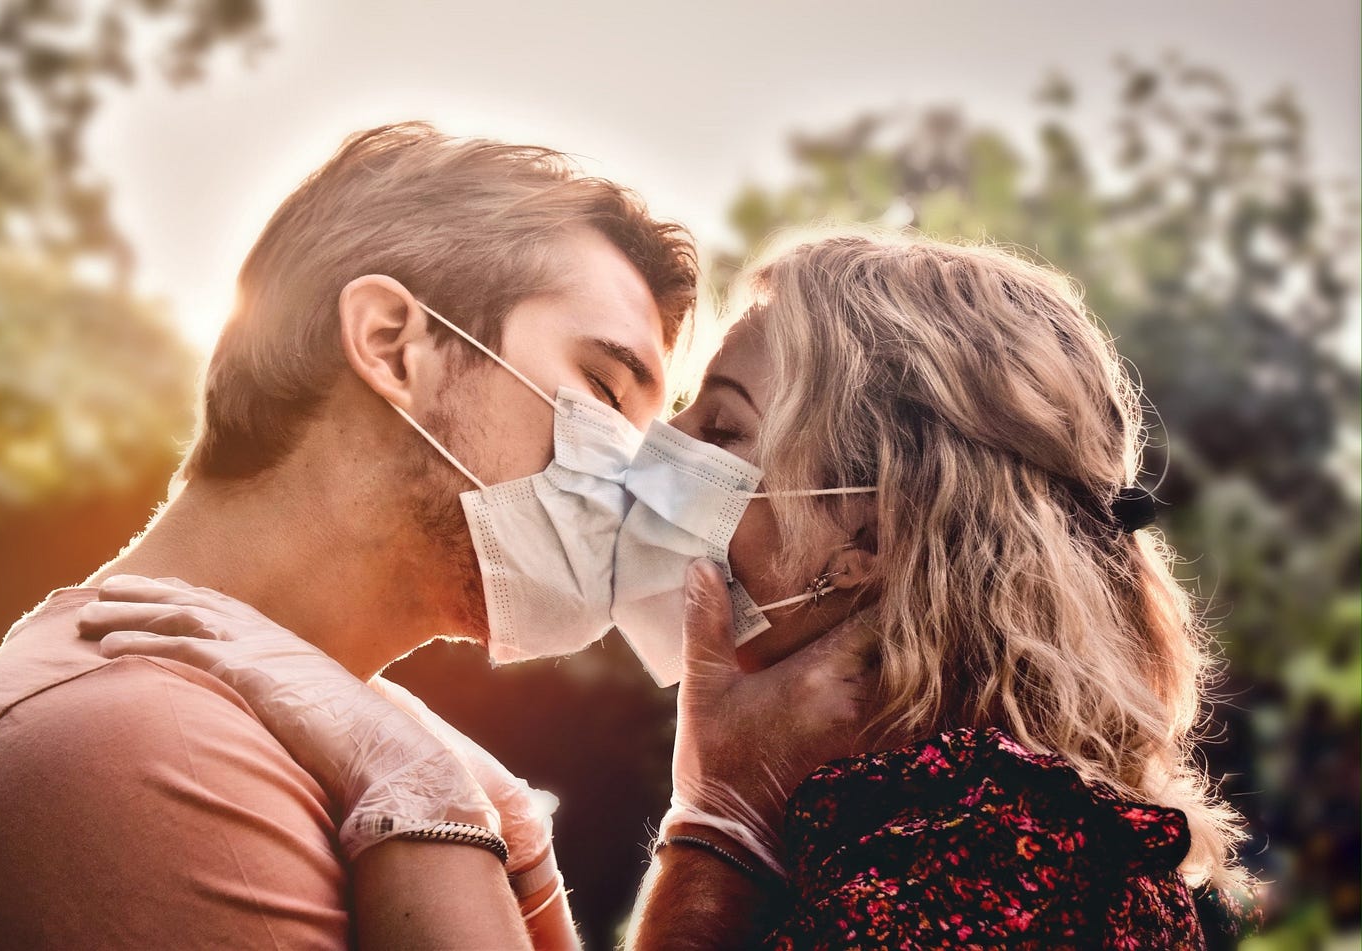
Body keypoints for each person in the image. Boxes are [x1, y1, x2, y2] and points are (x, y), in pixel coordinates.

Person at [81, 229, 1258, 949]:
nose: (654, 458)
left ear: (869, 532)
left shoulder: (985, 854)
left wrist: (413, 786)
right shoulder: (894, 816)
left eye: (724, 429)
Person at [0, 121, 720, 948]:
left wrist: (517, 847)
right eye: (605, 391)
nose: (636, 484)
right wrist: (425, 791)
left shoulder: (258, 729)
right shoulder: (145, 742)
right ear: (392, 344)